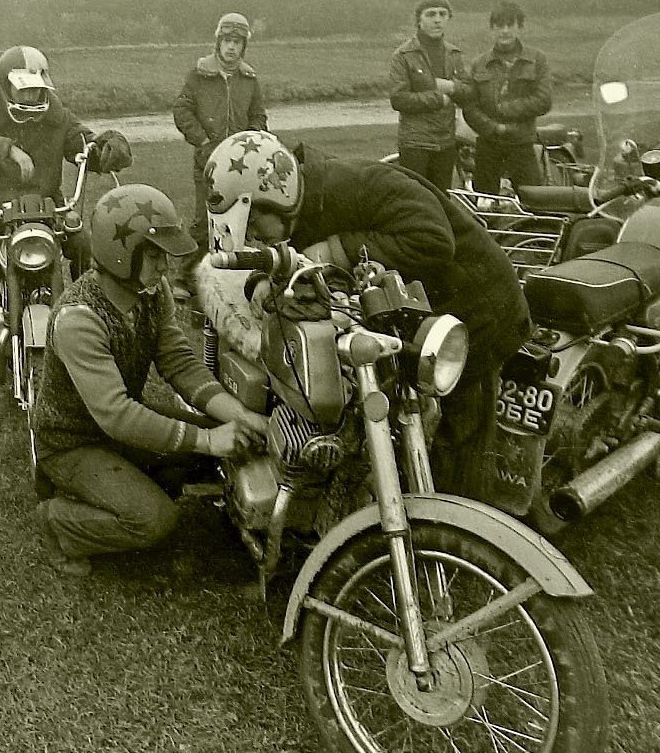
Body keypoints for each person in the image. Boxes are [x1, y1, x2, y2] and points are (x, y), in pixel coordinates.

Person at [203, 130, 530, 501]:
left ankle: (458, 525)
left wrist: (335, 250)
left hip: (479, 310)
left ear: (277, 198)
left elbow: (434, 238)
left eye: (254, 225)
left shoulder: (361, 185)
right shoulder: (303, 203)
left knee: (462, 437)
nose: (253, 236)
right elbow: (284, 252)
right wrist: (263, 277)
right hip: (412, 310)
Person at [28, 183, 269, 576]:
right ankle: (57, 520)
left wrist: (240, 416)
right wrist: (208, 439)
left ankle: (136, 479)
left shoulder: (151, 292)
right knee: (155, 521)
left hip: (116, 432)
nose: (164, 267)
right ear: (121, 255)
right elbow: (117, 415)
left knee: (229, 449)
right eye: (154, 255)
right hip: (72, 443)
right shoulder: (78, 319)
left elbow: (180, 363)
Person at [0, 45, 132, 427]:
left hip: (49, 210)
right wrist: (7, 148)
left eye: (38, 88)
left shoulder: (55, 114)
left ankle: (95, 339)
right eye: (24, 89)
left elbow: (84, 143)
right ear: (5, 86)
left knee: (88, 254)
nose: (32, 96)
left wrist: (107, 148)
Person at [173, 12, 268, 252]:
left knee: (241, 221)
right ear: (219, 42)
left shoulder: (249, 79)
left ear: (243, 46)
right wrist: (203, 141)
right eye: (227, 41)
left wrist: (250, 141)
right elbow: (182, 110)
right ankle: (192, 271)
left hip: (241, 165)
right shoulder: (199, 75)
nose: (231, 47)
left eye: (237, 42)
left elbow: (258, 115)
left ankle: (236, 267)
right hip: (207, 161)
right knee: (203, 222)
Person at [461, 1, 553, 193]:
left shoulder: (537, 59)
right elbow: (469, 106)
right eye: (499, 25)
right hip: (488, 144)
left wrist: (505, 109)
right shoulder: (479, 64)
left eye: (510, 25)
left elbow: (543, 100)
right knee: (484, 201)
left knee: (533, 199)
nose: (505, 31)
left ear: (520, 27)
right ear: (492, 29)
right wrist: (494, 128)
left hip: (522, 143)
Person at [389, 0, 476, 191]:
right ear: (419, 20)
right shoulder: (403, 55)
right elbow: (399, 99)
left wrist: (452, 87)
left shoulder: (454, 54)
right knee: (416, 199)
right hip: (415, 144)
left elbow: (469, 93)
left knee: (442, 200)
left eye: (442, 14)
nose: (437, 20)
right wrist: (439, 99)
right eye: (431, 14)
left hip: (446, 143)